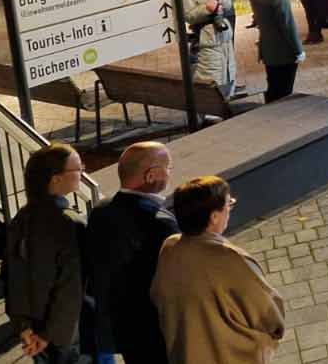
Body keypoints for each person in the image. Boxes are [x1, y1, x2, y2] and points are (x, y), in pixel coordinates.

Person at [151, 177, 286, 363]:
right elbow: (267, 312)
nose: (229, 211)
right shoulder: (230, 258)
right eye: (228, 205)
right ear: (214, 216)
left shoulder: (170, 246)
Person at [87, 142, 178, 364]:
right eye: (168, 167)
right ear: (151, 175)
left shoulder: (101, 211)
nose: (169, 173)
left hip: (124, 331)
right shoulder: (160, 223)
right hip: (157, 333)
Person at [5, 143, 86, 364]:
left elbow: (13, 276)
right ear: (56, 178)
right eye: (78, 169)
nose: (82, 172)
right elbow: (72, 284)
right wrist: (50, 334)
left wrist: (23, 327)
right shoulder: (69, 222)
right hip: (66, 333)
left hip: (33, 330)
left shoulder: (21, 218)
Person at [180, 0, 237, 97]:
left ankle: (227, 99)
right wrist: (206, 8)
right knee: (211, 71)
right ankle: (210, 110)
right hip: (207, 37)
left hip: (224, 34)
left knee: (228, 67)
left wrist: (219, 3)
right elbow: (189, 16)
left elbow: (229, 1)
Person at [253, 0, 304, 102]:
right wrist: (298, 50)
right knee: (284, 92)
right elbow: (287, 25)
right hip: (283, 53)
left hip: (268, 50)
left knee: (273, 88)